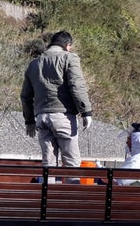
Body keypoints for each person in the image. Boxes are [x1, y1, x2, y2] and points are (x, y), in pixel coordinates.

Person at [20, 31, 93, 167]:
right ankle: (71, 188)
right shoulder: (69, 58)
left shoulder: (34, 64)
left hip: (42, 118)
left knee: (48, 164)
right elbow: (76, 85)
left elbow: (26, 96)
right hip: (63, 117)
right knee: (71, 163)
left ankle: (48, 188)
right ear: (67, 45)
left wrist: (29, 120)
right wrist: (86, 112)